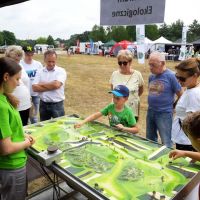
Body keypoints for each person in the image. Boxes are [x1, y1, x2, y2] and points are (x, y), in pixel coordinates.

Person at [0, 57, 35, 200]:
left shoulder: (4, 98)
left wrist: (22, 136)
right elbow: (6, 148)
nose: (19, 83)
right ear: (6, 77)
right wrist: (27, 143)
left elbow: (9, 131)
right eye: (17, 79)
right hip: (11, 165)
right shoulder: (1, 106)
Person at [146, 51, 182, 148]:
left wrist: (174, 106)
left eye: (153, 65)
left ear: (162, 63)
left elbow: (181, 94)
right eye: (149, 64)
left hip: (164, 113)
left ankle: (167, 160)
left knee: (166, 141)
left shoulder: (172, 76)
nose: (150, 67)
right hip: (151, 111)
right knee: (149, 139)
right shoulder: (151, 76)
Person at [74, 85, 139, 134]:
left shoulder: (128, 112)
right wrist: (83, 122)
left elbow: (136, 129)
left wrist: (124, 128)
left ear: (126, 99)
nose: (115, 100)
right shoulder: (110, 107)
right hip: (113, 135)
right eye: (113, 97)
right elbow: (95, 115)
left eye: (118, 98)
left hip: (125, 139)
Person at [171, 58, 200, 151]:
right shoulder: (190, 88)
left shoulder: (193, 95)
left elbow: (193, 124)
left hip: (187, 142)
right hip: (186, 140)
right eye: (177, 77)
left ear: (195, 76)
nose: (179, 81)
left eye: (182, 78)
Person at [109, 49, 144, 121]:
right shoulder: (114, 74)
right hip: (116, 110)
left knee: (130, 131)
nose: (122, 65)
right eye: (120, 63)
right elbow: (113, 90)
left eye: (124, 63)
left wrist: (131, 97)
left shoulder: (137, 74)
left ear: (130, 62)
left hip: (132, 111)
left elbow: (140, 90)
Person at [32, 49, 67, 121]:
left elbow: (56, 85)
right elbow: (34, 88)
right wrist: (52, 85)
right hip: (43, 104)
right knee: (44, 127)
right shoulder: (39, 71)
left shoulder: (61, 71)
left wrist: (41, 85)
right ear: (44, 60)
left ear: (56, 60)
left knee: (60, 126)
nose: (51, 64)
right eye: (49, 61)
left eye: (53, 61)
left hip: (57, 105)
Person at [5, 46, 32, 126]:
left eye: (19, 60)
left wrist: (29, 96)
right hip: (12, 104)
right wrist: (10, 97)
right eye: (15, 60)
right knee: (14, 128)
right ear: (8, 57)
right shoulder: (3, 67)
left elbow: (26, 82)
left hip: (25, 103)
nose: (17, 62)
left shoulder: (20, 66)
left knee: (24, 126)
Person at [20, 45, 43, 124]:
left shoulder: (38, 64)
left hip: (35, 94)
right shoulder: (20, 64)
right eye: (27, 55)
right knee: (24, 115)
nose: (30, 57)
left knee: (34, 116)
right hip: (24, 94)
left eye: (31, 54)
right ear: (23, 54)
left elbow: (41, 77)